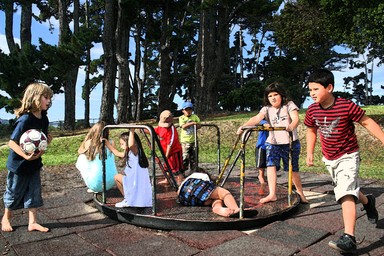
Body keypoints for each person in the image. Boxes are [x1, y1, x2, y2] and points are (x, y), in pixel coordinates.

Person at [304, 69, 382, 253]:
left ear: (329, 87)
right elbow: (311, 130)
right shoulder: (312, 110)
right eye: (310, 90)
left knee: (345, 193)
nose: (312, 93)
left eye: (316, 89)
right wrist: (309, 152)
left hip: (348, 155)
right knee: (347, 188)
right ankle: (367, 202)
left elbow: (367, 122)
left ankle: (349, 238)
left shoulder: (346, 106)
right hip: (329, 158)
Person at [236, 82, 308, 204]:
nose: (273, 98)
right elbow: (256, 118)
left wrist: (291, 126)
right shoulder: (266, 109)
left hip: (289, 142)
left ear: (281, 95)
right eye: (270, 96)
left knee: (292, 168)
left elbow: (296, 118)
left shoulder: (288, 105)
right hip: (273, 142)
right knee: (270, 166)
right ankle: (272, 194)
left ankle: (300, 192)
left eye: (275, 94)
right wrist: (244, 126)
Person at [1, 82, 53, 232]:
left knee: (34, 192)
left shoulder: (44, 118)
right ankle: (6, 218)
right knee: (14, 191)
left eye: (49, 98)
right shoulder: (25, 119)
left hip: (34, 163)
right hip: (19, 165)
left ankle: (33, 222)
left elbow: (39, 139)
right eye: (46, 97)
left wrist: (45, 141)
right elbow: (12, 142)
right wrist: (25, 155)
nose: (48, 101)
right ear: (35, 97)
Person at [104, 129, 152, 208]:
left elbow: (131, 145)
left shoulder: (135, 151)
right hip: (134, 180)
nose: (121, 146)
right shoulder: (130, 152)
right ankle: (128, 199)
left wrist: (131, 131)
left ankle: (127, 199)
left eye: (122, 144)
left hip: (134, 181)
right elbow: (116, 153)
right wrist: (107, 143)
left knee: (117, 177)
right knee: (117, 177)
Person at [177, 172, 257, 218]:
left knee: (216, 198)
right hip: (194, 185)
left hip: (184, 198)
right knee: (223, 193)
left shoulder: (186, 180)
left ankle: (218, 208)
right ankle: (235, 209)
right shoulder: (201, 175)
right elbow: (215, 189)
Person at [76, 121, 117, 193]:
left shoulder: (89, 142)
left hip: (95, 184)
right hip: (111, 182)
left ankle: (94, 186)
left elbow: (80, 151)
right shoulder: (111, 142)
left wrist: (87, 139)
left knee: (81, 157)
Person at [154, 110, 184, 184]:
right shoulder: (160, 127)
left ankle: (180, 181)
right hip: (165, 151)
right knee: (167, 166)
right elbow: (155, 131)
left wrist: (166, 156)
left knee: (176, 168)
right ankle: (167, 179)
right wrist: (144, 129)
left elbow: (170, 144)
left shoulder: (171, 129)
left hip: (174, 151)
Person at [179, 101, 201, 173]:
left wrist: (196, 124)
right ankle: (182, 172)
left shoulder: (195, 117)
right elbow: (183, 126)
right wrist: (192, 123)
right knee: (185, 157)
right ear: (183, 111)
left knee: (194, 158)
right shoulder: (182, 118)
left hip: (193, 140)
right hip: (185, 141)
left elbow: (199, 125)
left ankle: (193, 172)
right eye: (186, 110)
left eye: (190, 109)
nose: (188, 111)